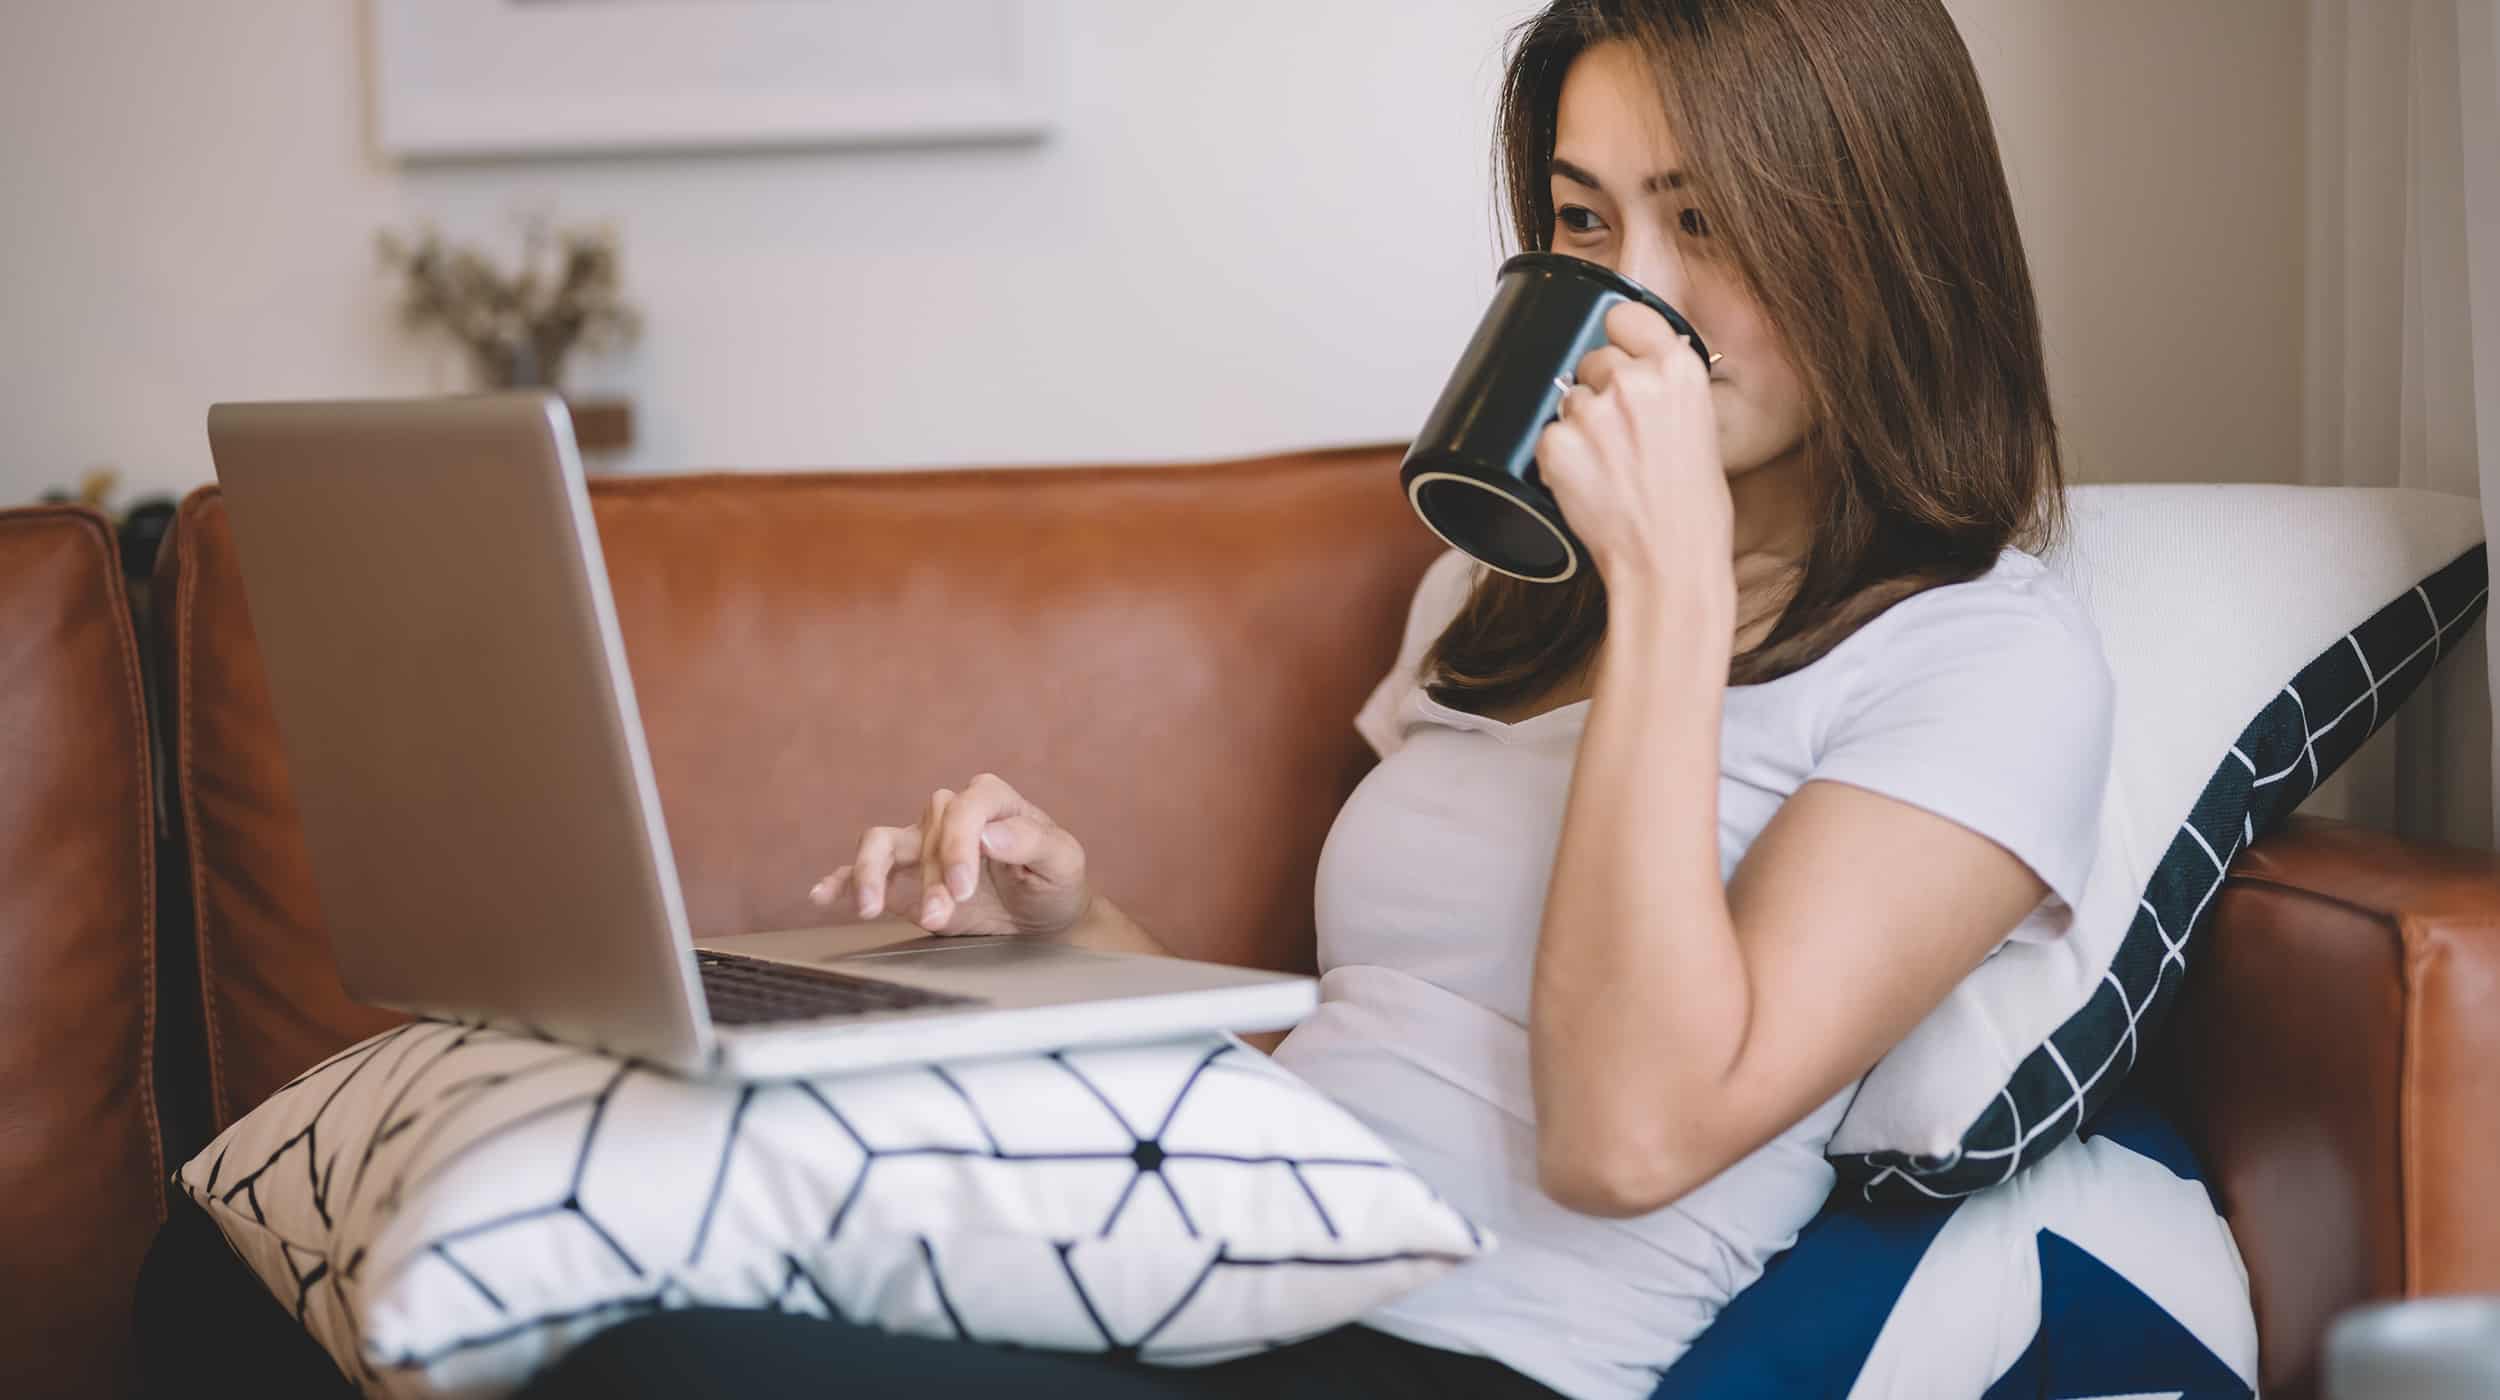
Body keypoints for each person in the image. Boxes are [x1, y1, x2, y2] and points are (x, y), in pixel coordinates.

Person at [525, 0, 2114, 1396]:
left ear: (1878, 240)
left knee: (652, 1354)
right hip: (1226, 1266)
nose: (1631, 303)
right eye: (1582, 222)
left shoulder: (1982, 661)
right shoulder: (1490, 596)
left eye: (1704, 223)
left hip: (1466, 1354)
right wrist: (1075, 939)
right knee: (595, 1288)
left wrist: (1673, 593)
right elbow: (1368, 1039)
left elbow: (1625, 1138)